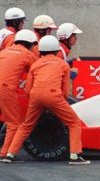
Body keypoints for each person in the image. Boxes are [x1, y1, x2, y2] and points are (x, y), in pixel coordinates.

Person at [4, 36, 90, 165]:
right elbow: (65, 90)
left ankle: (10, 154)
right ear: (56, 50)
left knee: (26, 126)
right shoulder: (63, 64)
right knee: (74, 123)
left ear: (41, 50)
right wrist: (58, 103)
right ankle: (75, 156)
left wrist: (35, 100)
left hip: (35, 96)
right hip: (53, 95)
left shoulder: (36, 64)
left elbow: (28, 89)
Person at [0, 30, 37, 161]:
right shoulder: (28, 54)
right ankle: (5, 153)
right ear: (30, 44)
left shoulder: (4, 52)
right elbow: (38, 70)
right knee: (14, 123)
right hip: (5, 89)